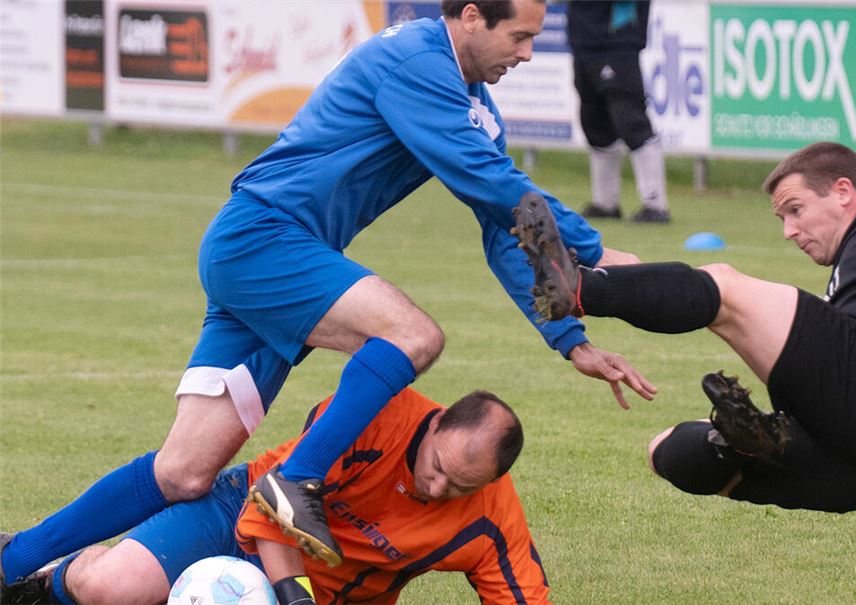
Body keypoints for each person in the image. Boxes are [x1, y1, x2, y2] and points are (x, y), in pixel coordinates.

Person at [0, 0, 657, 587]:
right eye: (520, 36)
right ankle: (297, 479)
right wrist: (598, 252)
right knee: (413, 335)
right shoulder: (414, 58)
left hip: (269, 255)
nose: (527, 53)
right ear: (473, 17)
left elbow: (502, 221)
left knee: (184, 474)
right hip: (265, 240)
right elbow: (492, 182)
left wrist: (571, 339)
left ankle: (11, 564)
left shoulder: (474, 108)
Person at [513, 141, 856, 604]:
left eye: (796, 210)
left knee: (725, 288)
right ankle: (732, 445)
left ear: (843, 191)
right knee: (664, 449)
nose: (789, 231)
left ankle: (581, 290)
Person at [1, 388, 550, 605]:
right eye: (437, 469)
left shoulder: (490, 517)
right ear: (434, 426)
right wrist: (294, 595)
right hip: (241, 510)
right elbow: (274, 502)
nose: (437, 489)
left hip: (326, 597)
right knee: (113, 587)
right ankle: (50, 579)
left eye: (460, 486)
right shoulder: (377, 412)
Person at [567, 0, 671, 223]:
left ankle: (655, 204)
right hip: (582, 41)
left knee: (630, 120)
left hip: (617, 42)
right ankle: (605, 203)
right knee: (594, 123)